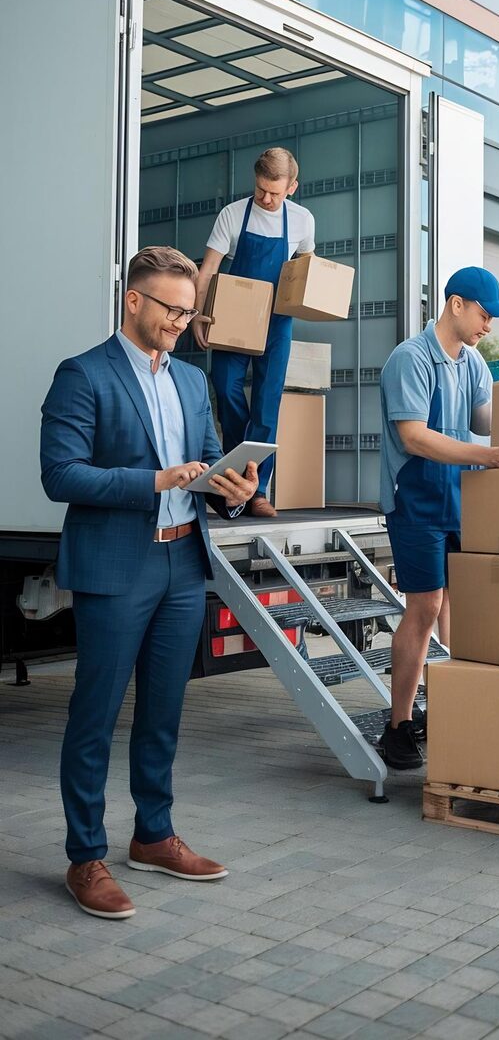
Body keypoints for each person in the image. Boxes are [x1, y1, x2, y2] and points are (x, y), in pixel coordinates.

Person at [41, 246, 258, 919]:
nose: (181, 322)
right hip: (116, 567)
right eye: (172, 309)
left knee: (163, 713)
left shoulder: (191, 381)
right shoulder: (83, 374)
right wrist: (155, 481)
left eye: (189, 312)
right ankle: (85, 856)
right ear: (134, 300)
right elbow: (60, 475)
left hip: (183, 564)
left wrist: (234, 491)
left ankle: (154, 835)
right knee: (95, 716)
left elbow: (207, 469)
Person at [377, 266, 499, 770]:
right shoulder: (411, 359)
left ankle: (449, 707)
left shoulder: (474, 364)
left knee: (459, 607)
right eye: (485, 315)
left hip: (460, 500)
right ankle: (399, 725)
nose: (489, 326)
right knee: (425, 607)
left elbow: (488, 421)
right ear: (456, 304)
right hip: (416, 501)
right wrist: (489, 456)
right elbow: (414, 437)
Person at [193, 147, 315, 518]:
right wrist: (197, 314)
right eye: (260, 189)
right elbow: (209, 269)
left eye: (274, 192)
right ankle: (236, 480)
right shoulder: (233, 215)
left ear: (291, 187)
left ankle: (258, 490)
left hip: (277, 321)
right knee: (225, 386)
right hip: (234, 315)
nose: (265, 198)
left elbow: (306, 269)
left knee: (267, 402)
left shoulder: (302, 221)